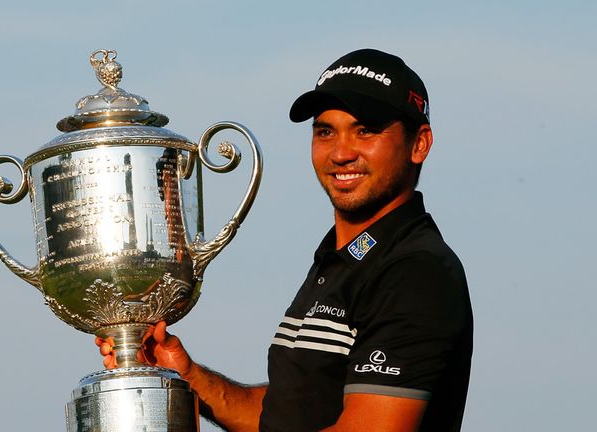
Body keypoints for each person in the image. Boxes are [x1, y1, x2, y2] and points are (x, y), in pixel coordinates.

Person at [97, 48, 473, 432]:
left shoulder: (414, 269)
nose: (341, 153)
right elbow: (286, 413)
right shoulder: (341, 259)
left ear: (419, 144)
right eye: (326, 131)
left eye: (366, 131)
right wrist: (186, 375)